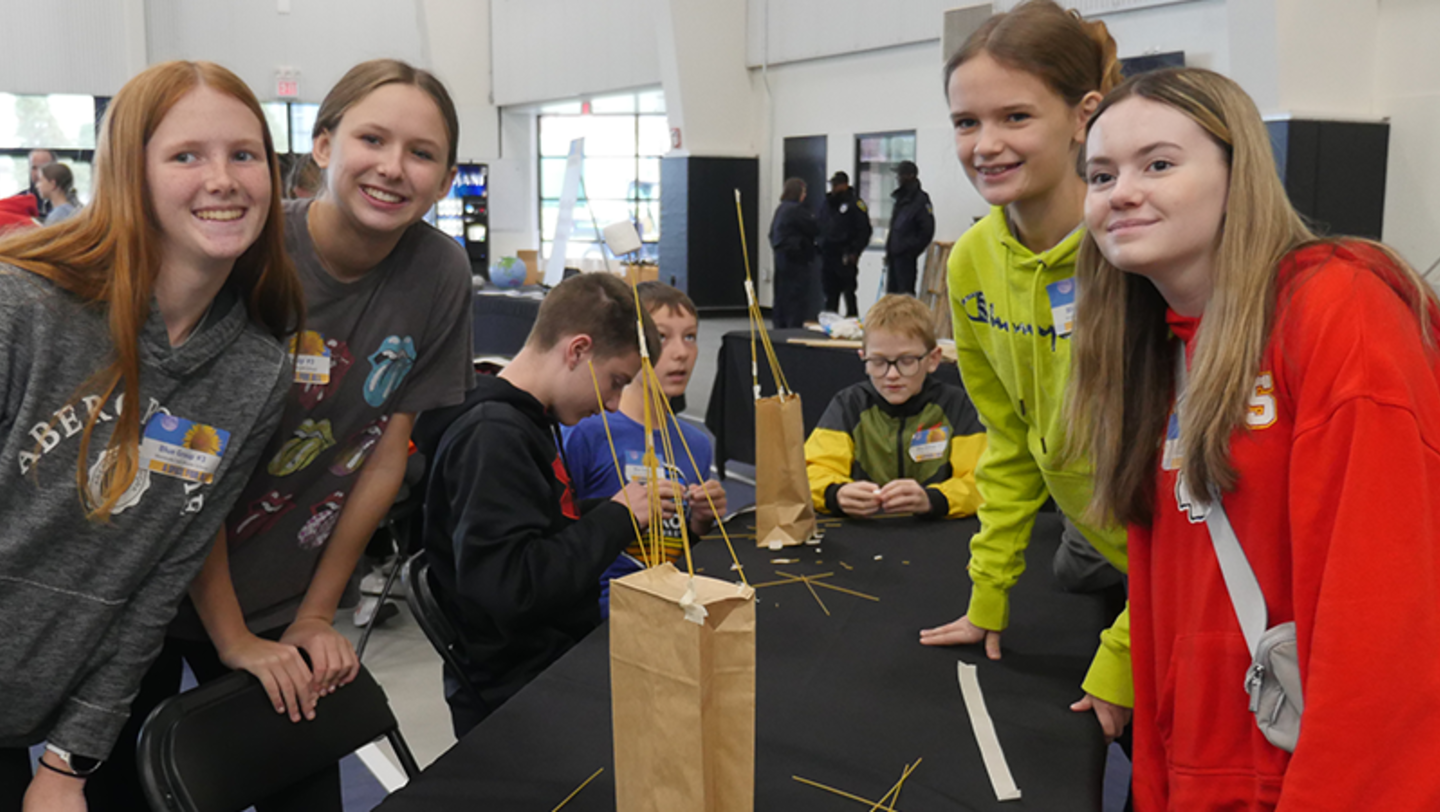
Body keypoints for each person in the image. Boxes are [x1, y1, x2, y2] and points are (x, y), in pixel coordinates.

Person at [86, 59, 475, 811]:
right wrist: (232, 640)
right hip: (156, 587)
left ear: (446, 177)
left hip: (278, 594)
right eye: (372, 138)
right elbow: (190, 467)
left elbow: (382, 459)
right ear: (322, 146)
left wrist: (316, 614)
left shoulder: (439, 274)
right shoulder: (248, 250)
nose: (394, 168)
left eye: (422, 153)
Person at [1070, 66, 1440, 811]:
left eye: (1160, 164)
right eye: (1101, 174)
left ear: (1240, 174)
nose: (1123, 192)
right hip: (1204, 774)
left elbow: (1386, 620)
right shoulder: (1160, 347)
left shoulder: (1338, 308)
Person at [0, 60, 303, 812]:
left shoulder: (257, 370)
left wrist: (68, 767)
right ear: (130, 173)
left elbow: (154, 585)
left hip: (30, 719)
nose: (224, 179)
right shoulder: (24, 306)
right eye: (186, 155)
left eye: (245, 154)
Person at [917, 0, 1134, 744]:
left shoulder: (1136, 255)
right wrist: (988, 597)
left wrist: (1128, 654)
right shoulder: (972, 259)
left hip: (1191, 573)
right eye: (966, 122)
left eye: (1015, 117)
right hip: (1104, 547)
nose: (985, 145)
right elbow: (1010, 440)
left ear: (1084, 115)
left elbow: (1205, 493)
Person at [423, 272, 668, 737]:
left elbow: (546, 525)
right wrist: (617, 517)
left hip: (551, 653)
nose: (615, 404)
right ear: (577, 350)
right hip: (522, 687)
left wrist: (632, 510)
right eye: (615, 381)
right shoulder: (492, 436)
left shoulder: (527, 421)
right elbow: (512, 588)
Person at [563, 281, 727, 617]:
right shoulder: (586, 433)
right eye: (662, 337)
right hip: (602, 611)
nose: (681, 352)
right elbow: (558, 536)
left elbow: (682, 547)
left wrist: (700, 522)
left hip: (675, 602)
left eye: (691, 337)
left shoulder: (694, 443)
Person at [805, 294, 985, 519]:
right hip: (865, 535)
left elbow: (982, 481)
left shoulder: (956, 407)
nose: (892, 375)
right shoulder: (849, 406)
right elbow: (811, 471)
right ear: (863, 359)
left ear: (933, 359)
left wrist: (933, 499)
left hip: (938, 533)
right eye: (878, 362)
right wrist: (835, 493)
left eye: (906, 361)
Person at [818, 171, 872, 317]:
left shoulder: (856, 204)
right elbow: (820, 225)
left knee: (849, 293)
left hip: (845, 255)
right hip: (828, 254)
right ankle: (830, 320)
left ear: (845, 185)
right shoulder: (827, 203)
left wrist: (855, 252)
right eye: (832, 185)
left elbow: (864, 231)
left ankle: (852, 320)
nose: (834, 188)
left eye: (836, 185)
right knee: (830, 294)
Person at [769, 177, 820, 328]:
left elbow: (772, 234)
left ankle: (779, 328)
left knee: (781, 297)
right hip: (796, 261)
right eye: (803, 192)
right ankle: (793, 329)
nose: (804, 196)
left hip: (781, 260)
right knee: (796, 299)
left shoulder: (781, 209)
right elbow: (815, 228)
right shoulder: (796, 210)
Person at [882, 160, 934, 295]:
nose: (898, 178)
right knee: (891, 297)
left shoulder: (920, 200)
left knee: (905, 296)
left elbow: (927, 230)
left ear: (910, 176)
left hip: (906, 258)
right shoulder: (901, 199)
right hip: (894, 257)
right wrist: (889, 251)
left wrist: (909, 250)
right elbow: (894, 228)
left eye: (900, 175)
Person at [26, 149, 55, 219]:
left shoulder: (68, 204)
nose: (38, 174)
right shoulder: (19, 201)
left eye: (43, 168)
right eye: (34, 168)